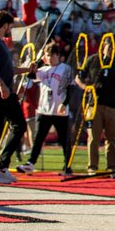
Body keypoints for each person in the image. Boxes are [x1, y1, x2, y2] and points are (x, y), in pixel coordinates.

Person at [0, 12, 35, 184]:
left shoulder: (1, 42)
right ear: (5, 25)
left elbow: (8, 69)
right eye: (10, 27)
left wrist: (26, 69)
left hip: (5, 92)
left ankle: (2, 166)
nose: (10, 30)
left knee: (19, 124)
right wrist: (0, 84)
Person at [76, 35, 115, 175]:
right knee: (93, 137)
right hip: (95, 104)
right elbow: (79, 77)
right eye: (110, 46)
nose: (113, 49)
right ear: (104, 45)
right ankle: (92, 167)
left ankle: (112, 167)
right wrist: (85, 87)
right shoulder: (93, 59)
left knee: (112, 138)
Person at [17, 44, 74, 175]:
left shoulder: (65, 69)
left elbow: (70, 89)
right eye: (47, 55)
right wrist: (39, 61)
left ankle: (68, 166)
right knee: (38, 138)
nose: (49, 58)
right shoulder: (43, 70)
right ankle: (31, 163)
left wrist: (65, 103)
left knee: (64, 140)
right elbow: (30, 75)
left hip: (60, 111)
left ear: (57, 55)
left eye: (52, 55)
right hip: (44, 110)